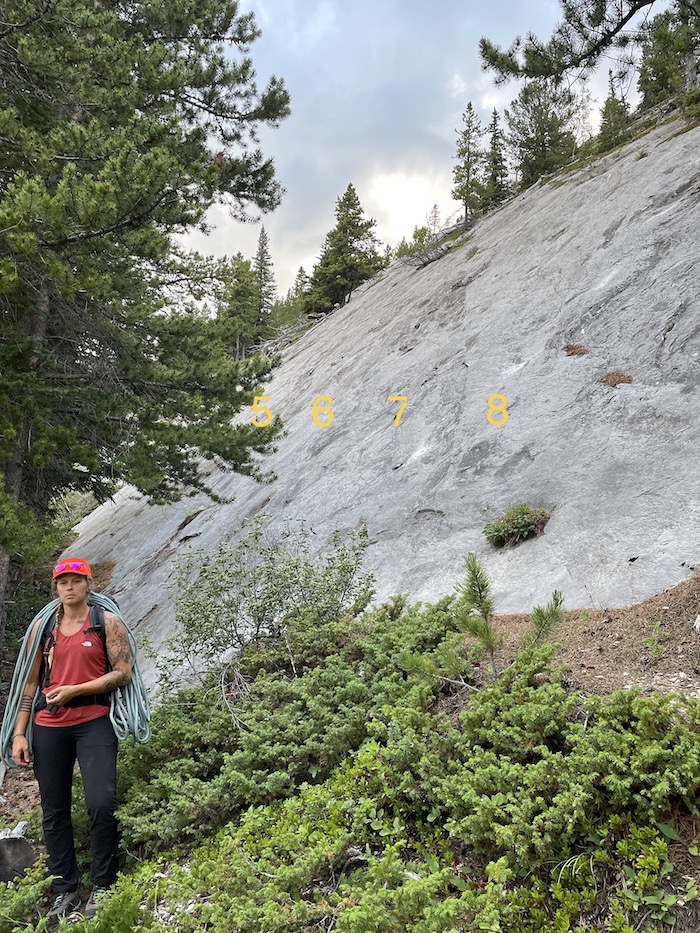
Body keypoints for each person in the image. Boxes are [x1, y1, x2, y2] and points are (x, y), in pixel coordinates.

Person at [11, 558, 132, 924]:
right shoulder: (42, 630)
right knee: (54, 809)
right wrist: (20, 732)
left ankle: (104, 884)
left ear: (87, 584)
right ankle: (65, 889)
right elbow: (30, 684)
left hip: (94, 720)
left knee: (101, 801)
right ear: (56, 587)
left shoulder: (106, 622)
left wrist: (75, 690)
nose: (69, 587)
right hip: (49, 724)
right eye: (63, 581)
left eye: (76, 580)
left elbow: (122, 674)